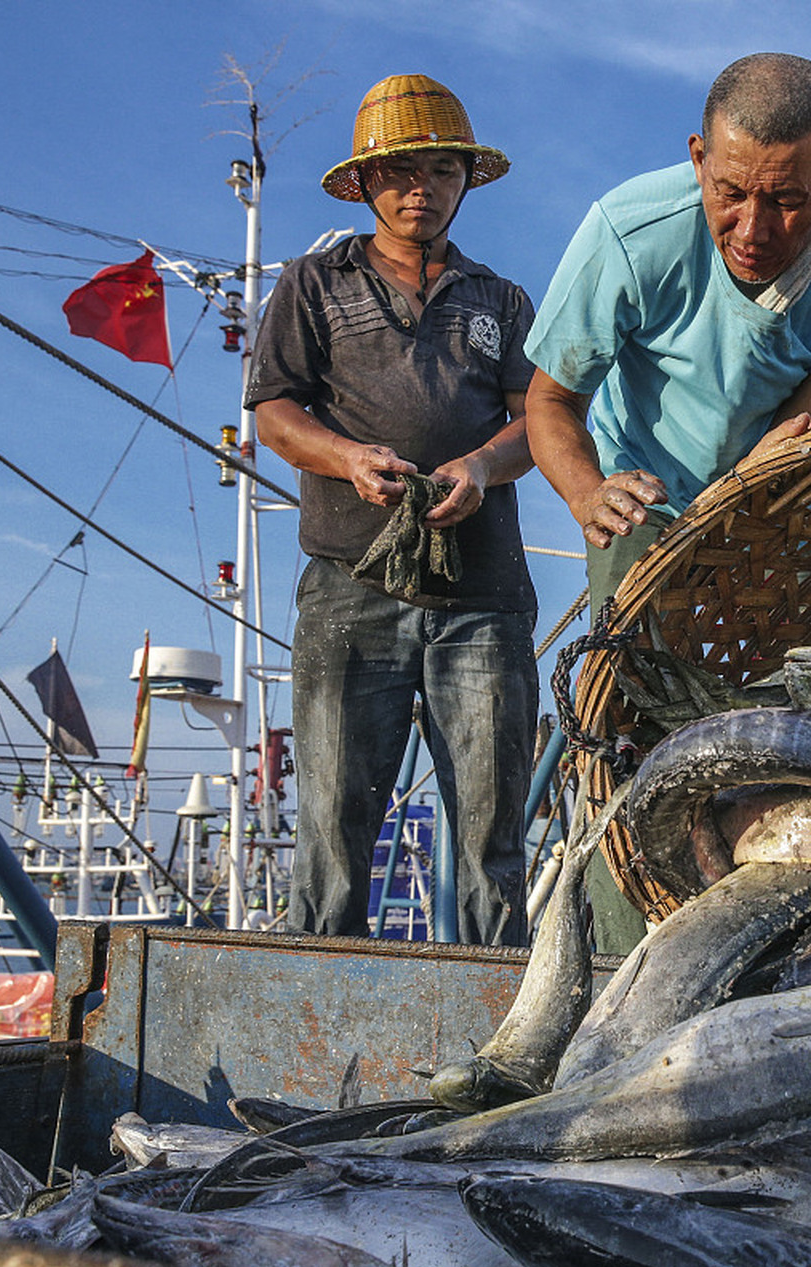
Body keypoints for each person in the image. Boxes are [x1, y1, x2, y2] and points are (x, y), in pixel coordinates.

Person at [524, 52, 811, 951]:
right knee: (634, 720)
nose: (751, 226)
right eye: (729, 191)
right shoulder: (631, 233)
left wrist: (739, 522)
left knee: (783, 717)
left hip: (765, 498)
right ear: (698, 157)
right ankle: (627, 950)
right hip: (640, 494)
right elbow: (548, 404)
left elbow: (806, 423)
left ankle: (775, 936)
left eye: (786, 201)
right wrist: (589, 492)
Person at [246, 74, 538, 944]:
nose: (423, 188)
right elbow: (275, 416)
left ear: (465, 181)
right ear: (367, 183)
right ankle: (319, 1021)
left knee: (492, 834)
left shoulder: (503, 300)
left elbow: (541, 424)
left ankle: (502, 1038)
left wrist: (484, 467)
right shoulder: (312, 282)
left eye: (443, 170)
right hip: (349, 589)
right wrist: (347, 459)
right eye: (403, 171)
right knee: (335, 831)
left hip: (482, 597)